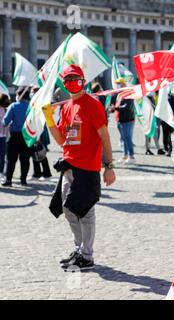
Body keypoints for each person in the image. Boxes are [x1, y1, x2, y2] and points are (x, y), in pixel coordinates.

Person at [42, 64, 116, 271]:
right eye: (68, 80)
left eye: (76, 78)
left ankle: (87, 255)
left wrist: (109, 166)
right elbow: (62, 140)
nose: (72, 83)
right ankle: (79, 248)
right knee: (68, 209)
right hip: (69, 164)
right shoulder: (66, 107)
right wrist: (49, 119)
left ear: (83, 80)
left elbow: (105, 136)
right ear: (64, 84)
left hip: (88, 167)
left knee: (85, 211)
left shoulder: (93, 105)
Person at [1, 87, 32, 187]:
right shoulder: (31, 107)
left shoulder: (13, 106)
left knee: (11, 159)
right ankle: (23, 180)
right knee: (25, 158)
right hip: (27, 136)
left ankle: (9, 180)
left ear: (19, 95)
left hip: (14, 136)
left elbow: (5, 122)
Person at [110, 77, 136, 164]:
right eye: (117, 84)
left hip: (128, 120)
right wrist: (112, 109)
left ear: (123, 84)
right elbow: (117, 105)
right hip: (120, 119)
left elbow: (127, 107)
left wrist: (116, 108)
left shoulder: (128, 94)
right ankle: (125, 155)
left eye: (119, 84)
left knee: (128, 138)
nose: (117, 85)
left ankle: (131, 156)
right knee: (123, 139)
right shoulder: (119, 95)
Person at [0, 93, 10, 178]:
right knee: (2, 155)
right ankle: (1, 171)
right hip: (2, 135)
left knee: (2, 155)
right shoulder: (4, 110)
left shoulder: (5, 110)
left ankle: (1, 171)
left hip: (3, 135)